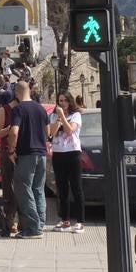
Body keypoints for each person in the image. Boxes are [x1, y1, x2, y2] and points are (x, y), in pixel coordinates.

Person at [9, 80, 50, 238]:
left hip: (27, 154)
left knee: (23, 188)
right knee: (38, 189)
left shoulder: (19, 109)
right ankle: (40, 224)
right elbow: (47, 131)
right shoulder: (40, 108)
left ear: (17, 93)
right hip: (41, 153)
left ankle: (33, 228)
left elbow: (13, 132)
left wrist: (12, 150)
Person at [49, 93, 85, 232]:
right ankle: (65, 220)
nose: (62, 103)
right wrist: (57, 122)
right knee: (61, 188)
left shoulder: (76, 115)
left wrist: (63, 117)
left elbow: (70, 130)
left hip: (73, 153)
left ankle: (80, 221)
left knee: (76, 187)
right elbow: (51, 133)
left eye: (65, 100)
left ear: (69, 102)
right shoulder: (53, 116)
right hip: (58, 153)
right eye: (60, 101)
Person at [0, 89, 20, 235]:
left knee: (21, 187)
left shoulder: (24, 108)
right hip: (6, 151)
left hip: (21, 151)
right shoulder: (4, 110)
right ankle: (11, 221)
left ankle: (21, 220)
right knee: (8, 187)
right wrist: (11, 128)